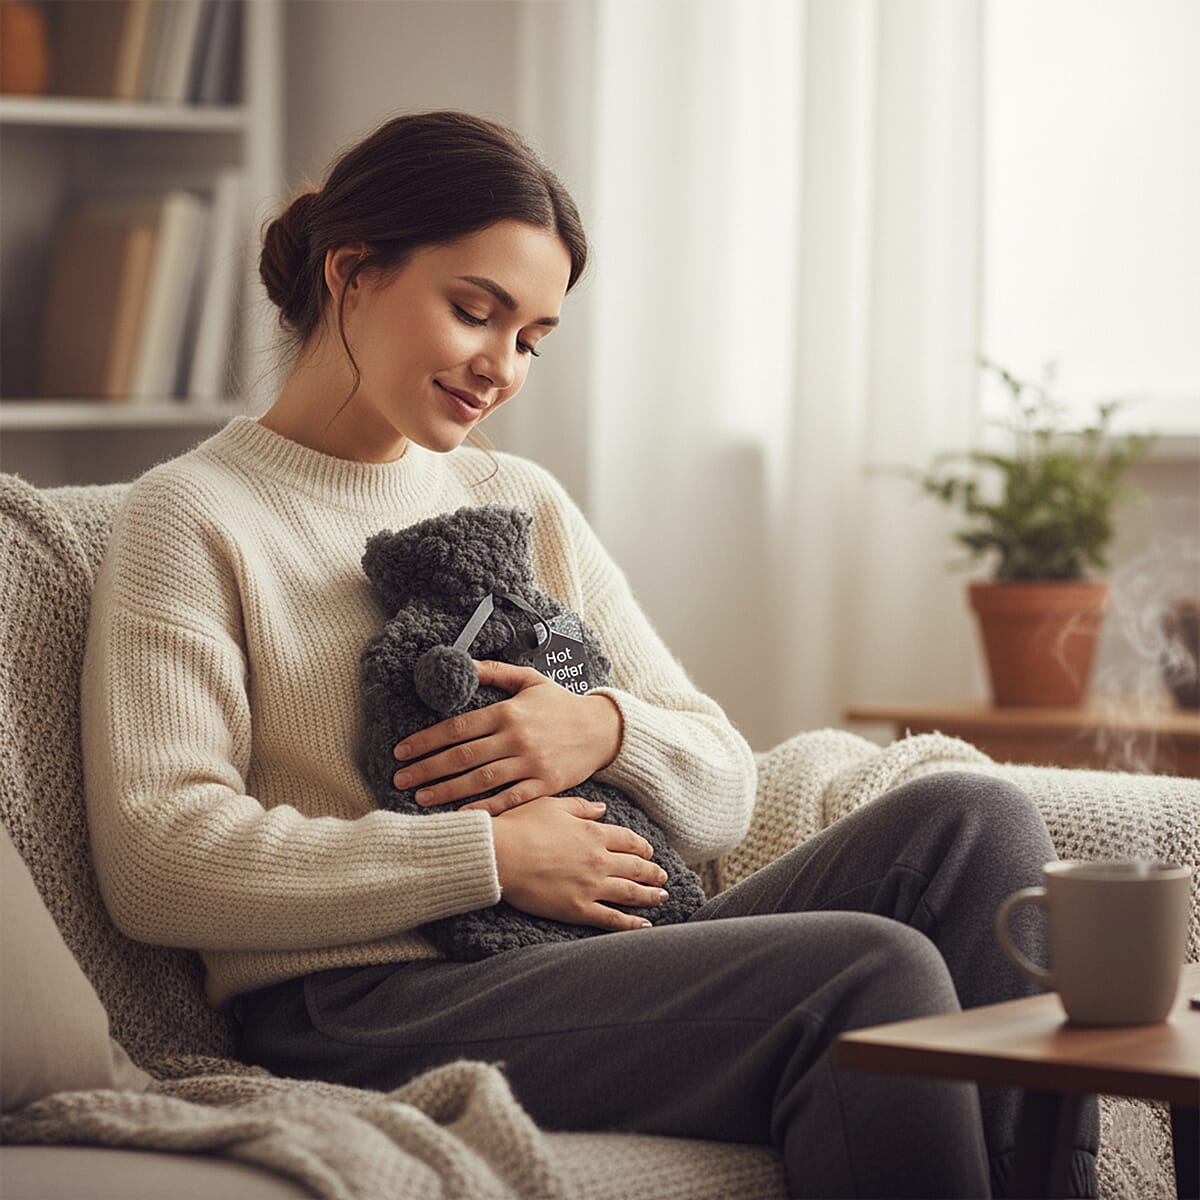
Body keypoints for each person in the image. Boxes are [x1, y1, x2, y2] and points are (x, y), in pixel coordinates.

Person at [81, 110, 1097, 1199]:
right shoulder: (192, 516)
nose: (501, 368)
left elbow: (724, 787)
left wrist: (603, 729)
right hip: (360, 1003)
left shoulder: (517, 498)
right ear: (353, 273)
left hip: (577, 954)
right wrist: (488, 856)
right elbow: (159, 861)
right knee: (867, 972)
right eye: (475, 312)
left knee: (974, 821)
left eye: (530, 339)